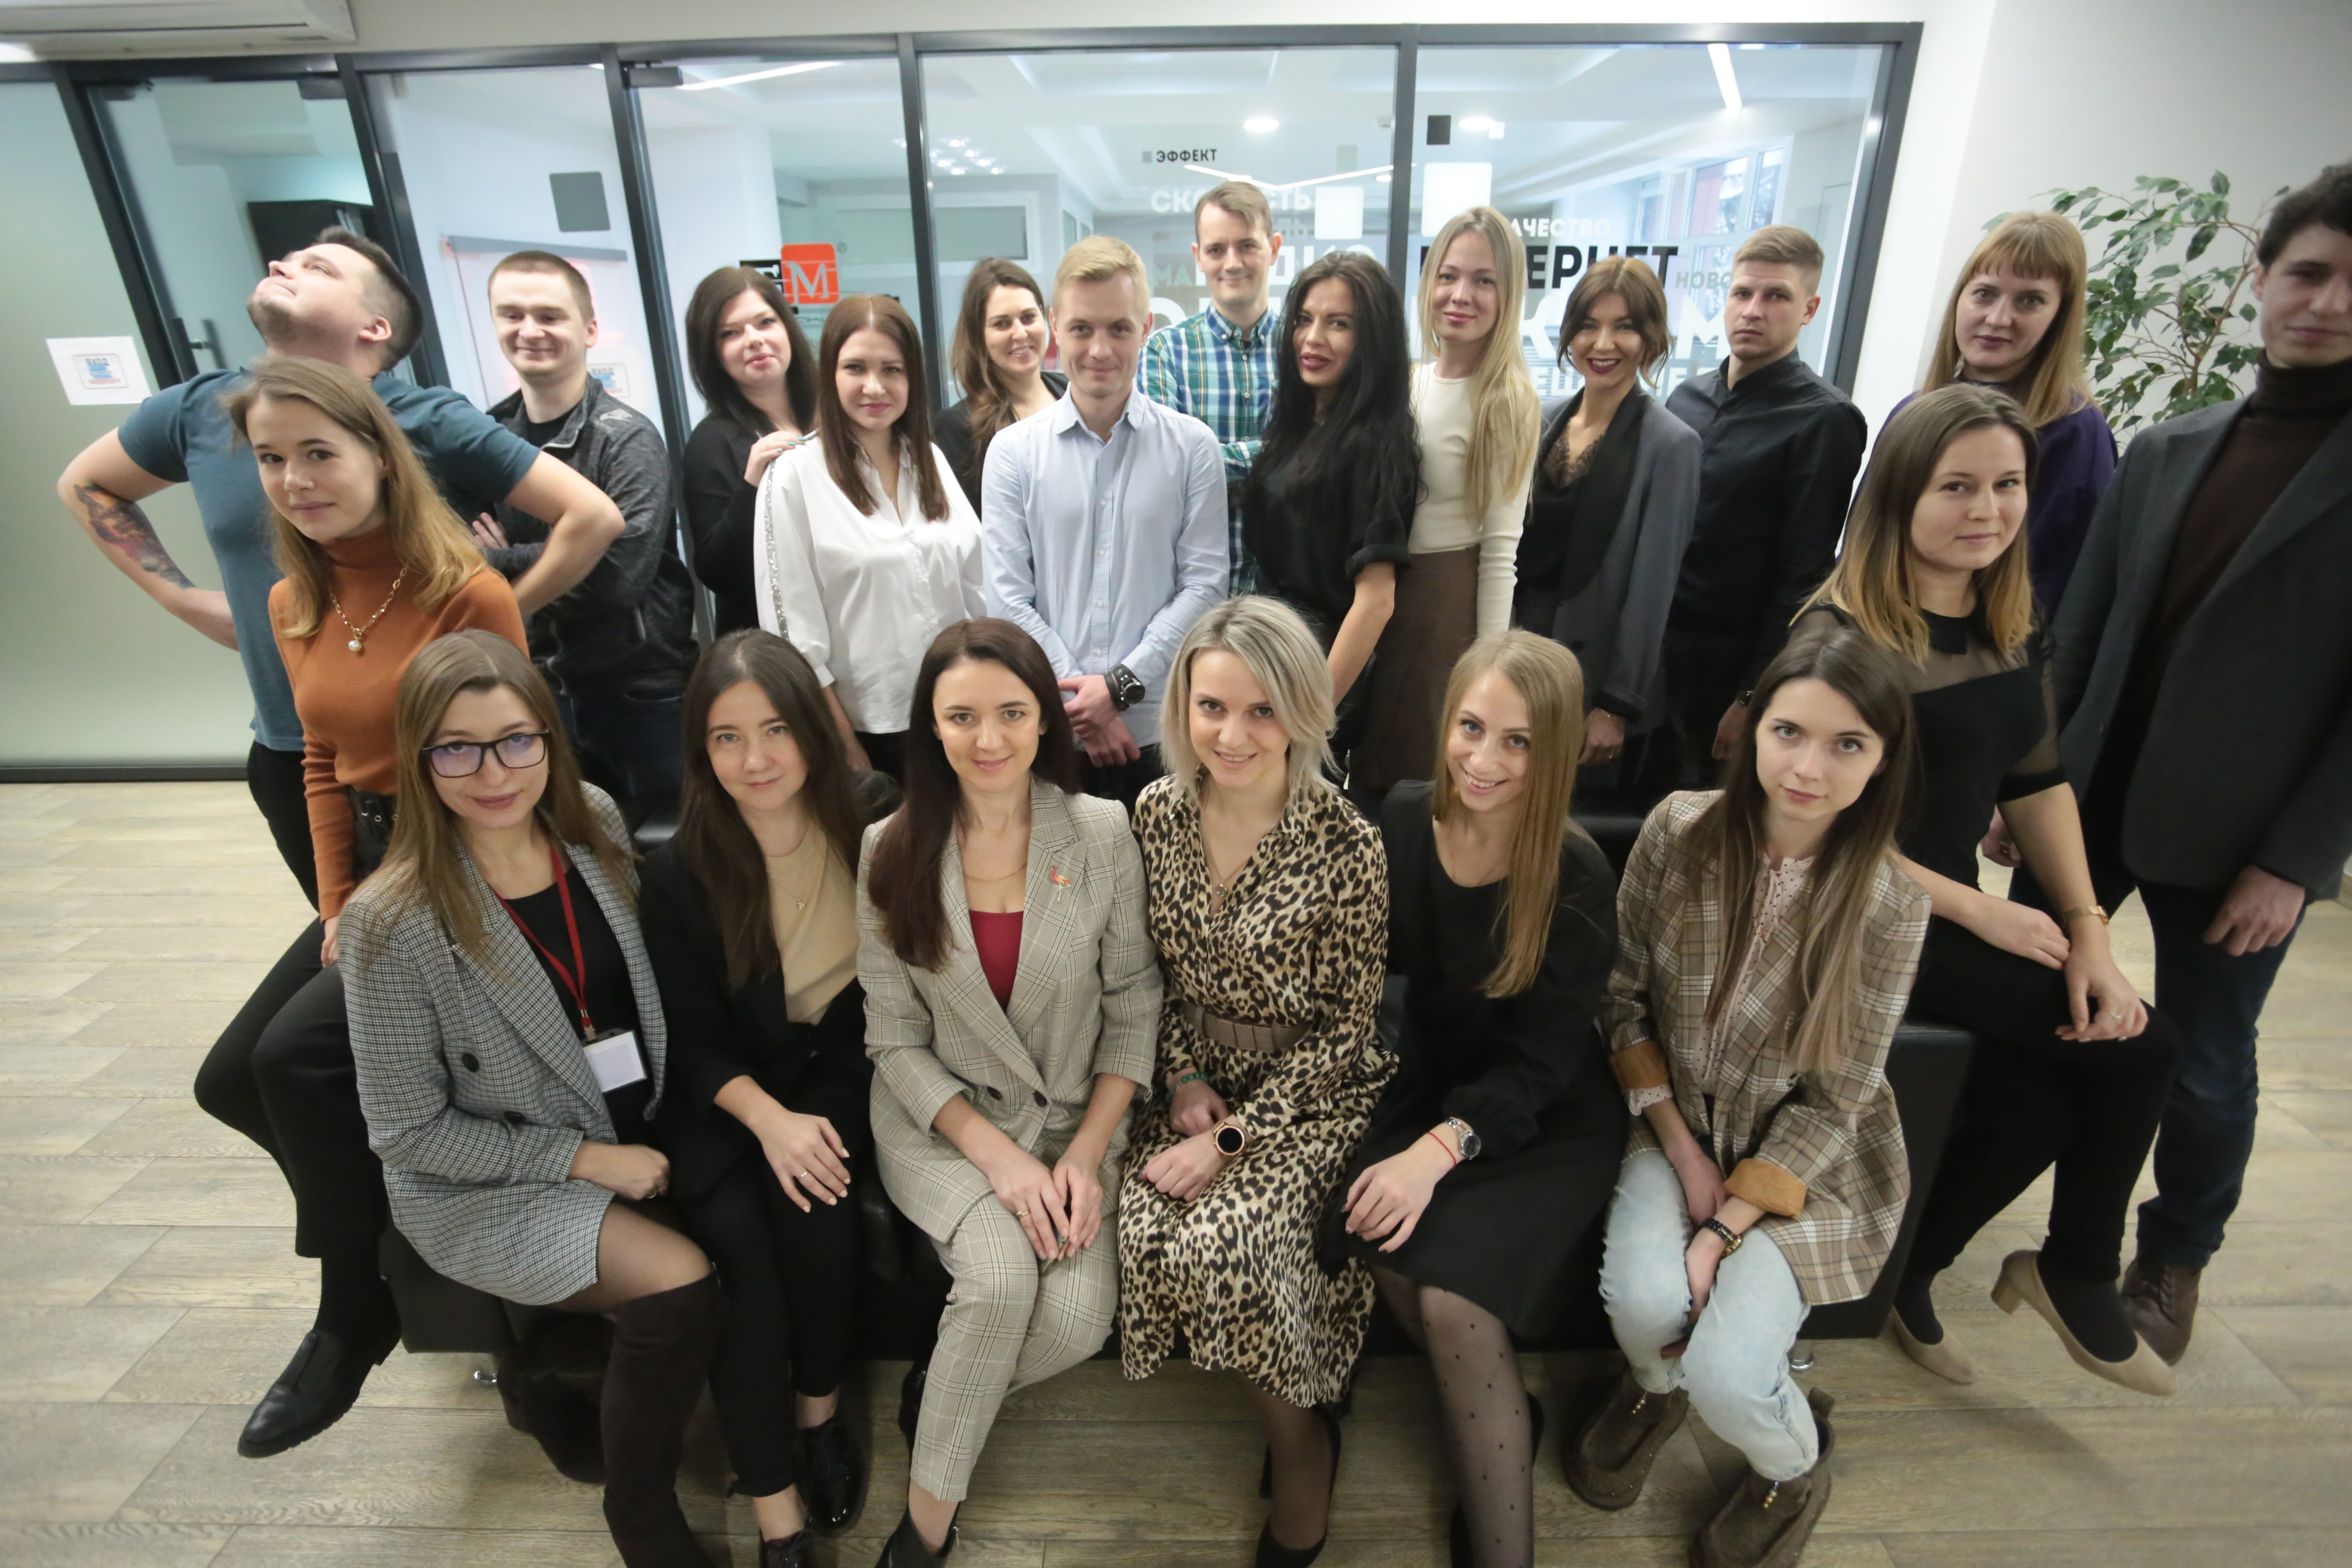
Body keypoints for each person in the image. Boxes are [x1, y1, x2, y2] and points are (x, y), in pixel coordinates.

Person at [1795, 385, 2180, 1396]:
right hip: (1848, 912)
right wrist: (1977, 910)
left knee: (2039, 1103)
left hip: (1950, 907)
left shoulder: (2010, 622)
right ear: (1899, 496)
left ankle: (1909, 1272)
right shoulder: (1841, 638)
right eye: (1957, 486)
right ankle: (2077, 1267)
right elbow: (1806, 831)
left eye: (2007, 485)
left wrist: (2086, 929)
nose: (1988, 509)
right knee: (2143, 1047)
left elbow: (2036, 781)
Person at [55, 226, 622, 906]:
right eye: (270, 458)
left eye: (318, 268)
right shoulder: (201, 408)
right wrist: (181, 599)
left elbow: (592, 517)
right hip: (297, 743)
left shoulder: (425, 418)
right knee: (352, 938)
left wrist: (493, 617)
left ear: (375, 327)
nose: (295, 480)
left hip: (434, 764)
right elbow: (86, 483)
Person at [2040, 163, 2352, 1366]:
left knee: (2208, 1065)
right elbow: (2081, 633)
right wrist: (2035, 783)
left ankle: (2172, 1258)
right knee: (2040, 1009)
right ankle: (2011, 1215)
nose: (2326, 303)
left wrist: (2296, 862)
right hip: (2091, 796)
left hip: (2240, 836)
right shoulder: (2171, 447)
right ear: (2260, 278)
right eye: (2307, 273)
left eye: (2350, 285)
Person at [194, 356, 529, 1460]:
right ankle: (397, 1225)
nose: (294, 480)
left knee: (293, 1060)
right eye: (271, 459)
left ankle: (353, 1310)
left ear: (380, 456)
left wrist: (387, 902)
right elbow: (321, 764)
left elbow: (509, 770)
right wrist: (338, 902)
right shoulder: (293, 599)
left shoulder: (464, 591)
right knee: (229, 1080)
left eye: (317, 453)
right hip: (375, 869)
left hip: (461, 860)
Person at [341, 630, 719, 1568]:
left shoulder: (593, 824)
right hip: (491, 1180)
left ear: (550, 737)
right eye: (457, 750)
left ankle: (558, 1369)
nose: (494, 773)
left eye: (516, 740)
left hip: (627, 1118)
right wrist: (585, 1160)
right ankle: (641, 1515)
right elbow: (406, 1132)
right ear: (419, 760)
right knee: (677, 1283)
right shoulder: (390, 921)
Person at [1566, 625, 1929, 1568]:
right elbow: (1621, 1000)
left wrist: (1721, 1231)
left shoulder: (1893, 904)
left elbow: (1839, 1097)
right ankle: (1652, 1387)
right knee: (1643, 1305)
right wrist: (1686, 1156)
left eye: (1846, 744)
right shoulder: (1677, 831)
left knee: (1731, 1376)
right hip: (1673, 1119)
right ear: (1752, 728)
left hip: (1807, 1162)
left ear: (1883, 758)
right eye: (1788, 732)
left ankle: (1791, 1465)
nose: (1807, 767)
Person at [857, 618, 1160, 1568]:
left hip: (1072, 1122)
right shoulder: (887, 846)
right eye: (961, 717)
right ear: (930, 726)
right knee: (997, 1280)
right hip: (944, 1125)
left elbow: (1134, 1005)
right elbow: (892, 1039)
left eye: (1011, 714)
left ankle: (945, 1388)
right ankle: (923, 1533)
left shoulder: (1102, 832)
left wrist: (1083, 1157)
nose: (987, 738)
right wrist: (1001, 1163)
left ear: (1044, 721)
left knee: (1075, 1321)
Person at [1117, 597, 1392, 1568]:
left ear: (1302, 713)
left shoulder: (1347, 842)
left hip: (1309, 1092)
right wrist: (1183, 1075)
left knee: (1229, 1236)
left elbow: (1347, 1030)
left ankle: (1302, 1444)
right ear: (1183, 708)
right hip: (1195, 1076)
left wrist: (1230, 1140)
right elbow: (1143, 975)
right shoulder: (1155, 813)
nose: (1232, 735)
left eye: (1261, 710)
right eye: (1212, 707)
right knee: (1146, 1224)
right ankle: (1299, 1401)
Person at [1340, 631, 1621, 1568]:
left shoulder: (1577, 873)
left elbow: (1542, 1064)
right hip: (1428, 1081)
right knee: (1368, 1221)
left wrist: (1436, 1153)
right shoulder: (1402, 817)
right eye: (1471, 727)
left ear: (1557, 750)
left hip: (1538, 1115)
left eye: (1518, 741)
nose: (1484, 759)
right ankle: (1498, 1414)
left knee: (1456, 1306)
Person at [641, 631, 897, 1565]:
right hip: (728, 1088)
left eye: (775, 729)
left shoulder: (872, 817)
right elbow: (690, 1036)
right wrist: (769, 1123)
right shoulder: (678, 869)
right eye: (727, 737)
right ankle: (774, 1507)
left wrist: (806, 1125)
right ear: (701, 750)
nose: (754, 759)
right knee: (738, 1252)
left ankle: (818, 1414)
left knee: (818, 1209)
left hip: (837, 1063)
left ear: (811, 731)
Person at [982, 236, 1227, 810]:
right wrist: (1085, 706)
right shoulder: (1012, 453)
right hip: (1047, 734)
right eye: (1082, 329)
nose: (1100, 349)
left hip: (1160, 733)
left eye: (1119, 328)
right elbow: (1007, 599)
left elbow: (1205, 586)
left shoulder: (1193, 448)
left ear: (1145, 328)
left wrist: (1118, 689)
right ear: (1055, 327)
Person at [476, 250, 697, 828]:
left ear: (589, 330)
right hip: (533, 685)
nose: (530, 330)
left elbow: (619, 579)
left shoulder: (627, 439)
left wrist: (502, 557)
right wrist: (574, 548)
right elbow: (460, 563)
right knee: (569, 847)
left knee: (670, 849)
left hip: (639, 692)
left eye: (550, 316)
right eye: (513, 315)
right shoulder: (486, 438)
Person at [1649, 225, 1868, 795]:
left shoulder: (1825, 419)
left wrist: (1754, 696)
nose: (1753, 310)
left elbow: (1803, 577)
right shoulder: (1686, 399)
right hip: (1655, 654)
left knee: (1709, 816)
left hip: (1733, 665)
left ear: (1809, 310)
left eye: (1776, 297)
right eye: (1742, 293)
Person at [754, 294, 986, 781]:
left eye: (892, 370)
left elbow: (977, 592)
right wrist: (844, 748)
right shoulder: (794, 476)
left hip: (958, 716)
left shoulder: (930, 460)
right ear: (830, 374)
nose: (874, 387)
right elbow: (792, 636)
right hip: (868, 733)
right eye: (856, 368)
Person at [1353, 205, 1540, 799]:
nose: (1461, 295)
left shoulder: (1507, 398)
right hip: (1385, 592)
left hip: (1444, 604)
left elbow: (1501, 553)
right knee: (1372, 762)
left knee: (1419, 778)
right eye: (1449, 275)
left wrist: (1489, 673)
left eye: (1484, 281)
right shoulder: (1409, 381)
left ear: (1509, 295)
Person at [1512, 257, 1700, 796]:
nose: (1603, 344)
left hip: (1594, 682)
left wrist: (1617, 705)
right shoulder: (1541, 420)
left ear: (1651, 338)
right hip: (1522, 654)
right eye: (1589, 326)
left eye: (1625, 327)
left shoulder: (1671, 444)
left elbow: (1652, 591)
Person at [1240, 250, 1418, 731]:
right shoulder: (1298, 426)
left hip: (1315, 675)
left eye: (1339, 324)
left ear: (1372, 339)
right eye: (1304, 319)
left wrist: (1311, 718)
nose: (1313, 338)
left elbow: (1376, 601)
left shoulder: (1373, 444)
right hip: (1272, 659)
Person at [1915, 211, 2115, 610]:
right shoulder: (1915, 409)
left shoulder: (2076, 431)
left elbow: (2065, 587)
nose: (1998, 318)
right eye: (1985, 293)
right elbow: (1866, 542)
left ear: (2059, 317)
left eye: (2030, 301)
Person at [1140, 179, 1285, 593]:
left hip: (1289, 596)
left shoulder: (1305, 350)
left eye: (1247, 246)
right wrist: (1281, 454)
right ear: (1198, 257)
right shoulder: (1165, 352)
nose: (1232, 263)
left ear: (1274, 248)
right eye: (1217, 249)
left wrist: (1203, 461)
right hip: (1193, 595)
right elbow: (1164, 472)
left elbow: (1324, 458)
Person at [682, 266, 818, 634]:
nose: (754, 340)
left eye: (765, 323)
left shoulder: (835, 413)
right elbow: (718, 573)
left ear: (787, 328)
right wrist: (753, 484)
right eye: (731, 333)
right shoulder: (712, 442)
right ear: (713, 353)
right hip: (772, 645)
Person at [935, 258, 1067, 511]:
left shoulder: (1073, 393)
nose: (1020, 333)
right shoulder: (958, 426)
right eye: (1002, 324)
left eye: (1028, 318)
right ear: (979, 336)